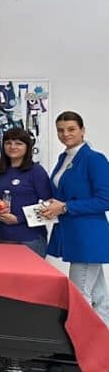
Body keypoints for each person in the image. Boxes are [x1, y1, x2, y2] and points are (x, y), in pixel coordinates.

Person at [42, 111, 109, 326]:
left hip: (88, 236)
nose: (65, 134)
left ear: (82, 130)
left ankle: (84, 343)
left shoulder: (94, 159)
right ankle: (103, 340)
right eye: (60, 130)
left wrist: (65, 206)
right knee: (98, 296)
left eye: (71, 129)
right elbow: (66, 193)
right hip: (73, 233)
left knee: (80, 294)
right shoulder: (64, 158)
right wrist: (56, 203)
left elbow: (105, 200)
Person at [0, 128, 53, 257]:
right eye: (8, 143)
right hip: (4, 237)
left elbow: (49, 206)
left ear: (27, 147)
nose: (12, 147)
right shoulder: (0, 173)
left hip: (30, 239)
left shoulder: (36, 171)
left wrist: (19, 219)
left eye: (18, 143)